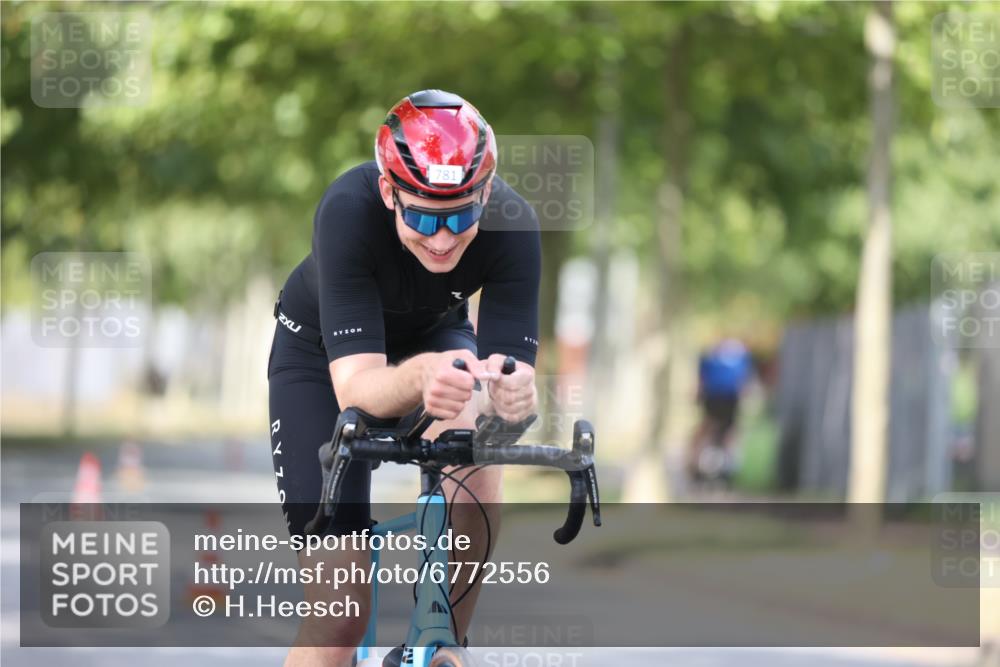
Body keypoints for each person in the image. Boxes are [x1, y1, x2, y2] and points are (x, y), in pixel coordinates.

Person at [267, 90, 541, 667]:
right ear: (389, 191)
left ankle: (446, 644)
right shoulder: (347, 209)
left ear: (486, 195)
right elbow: (357, 390)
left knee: (478, 461)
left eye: (461, 216)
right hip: (322, 360)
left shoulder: (514, 225)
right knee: (338, 618)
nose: (441, 239)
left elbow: (510, 373)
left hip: (435, 340)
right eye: (420, 216)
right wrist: (421, 377)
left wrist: (514, 395)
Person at [687, 337, 753, 481]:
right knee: (728, 431)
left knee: (709, 429)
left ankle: (695, 463)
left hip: (715, 398)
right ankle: (729, 466)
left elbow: (701, 382)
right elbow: (744, 383)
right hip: (728, 399)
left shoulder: (711, 357)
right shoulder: (740, 358)